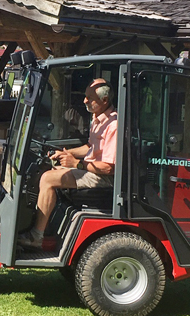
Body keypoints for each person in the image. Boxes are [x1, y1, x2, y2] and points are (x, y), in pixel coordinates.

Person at [18, 78, 117, 250]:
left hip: (103, 178)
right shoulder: (97, 119)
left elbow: (109, 167)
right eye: (85, 96)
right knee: (45, 170)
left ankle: (36, 237)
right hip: (91, 169)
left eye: (90, 97)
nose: (85, 100)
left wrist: (76, 164)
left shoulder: (114, 125)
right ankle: (44, 224)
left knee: (48, 179)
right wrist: (67, 153)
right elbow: (90, 147)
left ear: (105, 100)